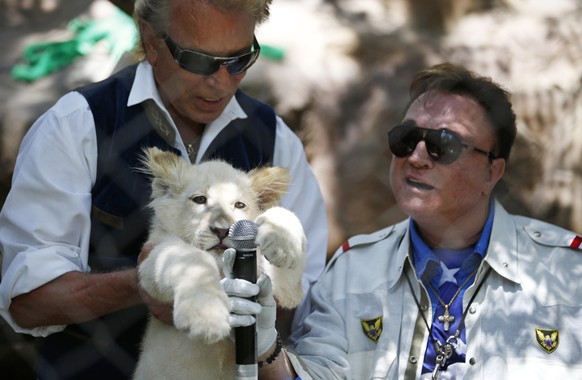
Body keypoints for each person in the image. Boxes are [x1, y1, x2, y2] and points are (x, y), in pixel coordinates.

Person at [0, 0, 328, 378]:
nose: (221, 81)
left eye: (239, 59)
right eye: (199, 60)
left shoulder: (275, 140)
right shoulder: (77, 125)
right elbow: (28, 301)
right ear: (150, 39)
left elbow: (308, 302)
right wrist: (150, 283)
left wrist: (257, 284)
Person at [226, 62, 582, 379]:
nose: (416, 157)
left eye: (445, 144)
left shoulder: (568, 272)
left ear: (493, 171)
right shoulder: (351, 271)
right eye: (407, 139)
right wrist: (266, 348)